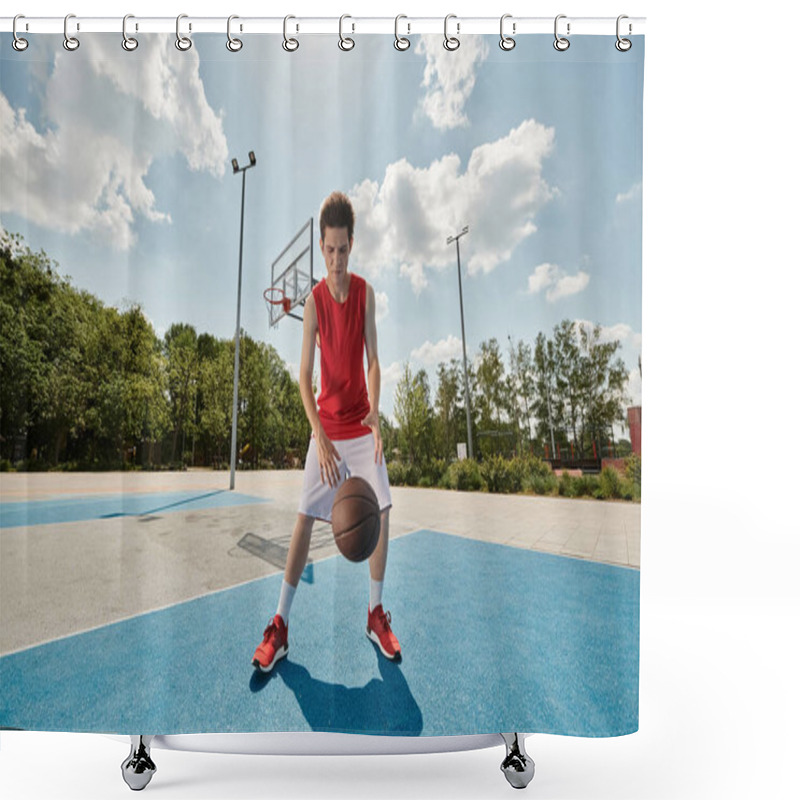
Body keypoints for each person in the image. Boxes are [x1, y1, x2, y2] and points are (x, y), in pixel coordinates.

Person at [252, 191, 400, 673]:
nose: (336, 260)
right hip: (327, 431)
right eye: (329, 251)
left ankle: (375, 614)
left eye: (343, 250)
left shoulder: (365, 293)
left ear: (352, 244)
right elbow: (302, 377)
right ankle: (281, 625)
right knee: (303, 518)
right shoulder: (314, 301)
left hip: (360, 425)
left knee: (382, 505)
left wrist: (376, 411)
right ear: (321, 247)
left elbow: (373, 359)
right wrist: (320, 437)